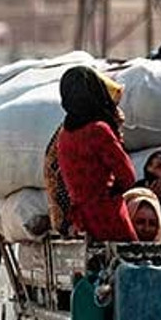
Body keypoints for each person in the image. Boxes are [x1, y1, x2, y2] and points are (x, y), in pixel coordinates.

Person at [50, 66, 138, 241]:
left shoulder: (64, 136)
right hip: (108, 218)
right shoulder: (98, 130)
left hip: (81, 222)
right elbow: (128, 176)